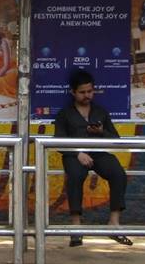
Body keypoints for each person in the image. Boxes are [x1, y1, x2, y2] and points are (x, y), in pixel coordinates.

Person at [52, 69, 130, 247]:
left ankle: (114, 222)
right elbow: (59, 142)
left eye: (90, 91)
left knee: (118, 173)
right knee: (75, 176)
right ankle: (76, 227)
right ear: (73, 92)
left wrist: (101, 132)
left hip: (98, 152)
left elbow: (116, 140)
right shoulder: (64, 114)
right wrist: (78, 153)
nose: (87, 95)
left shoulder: (100, 112)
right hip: (75, 154)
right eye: (82, 92)